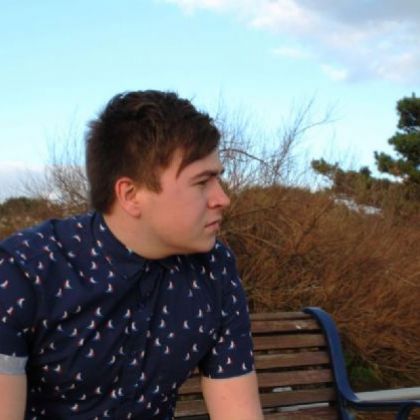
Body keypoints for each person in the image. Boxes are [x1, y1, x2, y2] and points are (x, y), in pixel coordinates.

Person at [0, 90, 263, 419]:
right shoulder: (23, 270)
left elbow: (238, 411)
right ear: (131, 194)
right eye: (201, 183)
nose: (222, 198)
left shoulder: (214, 268)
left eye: (217, 178)